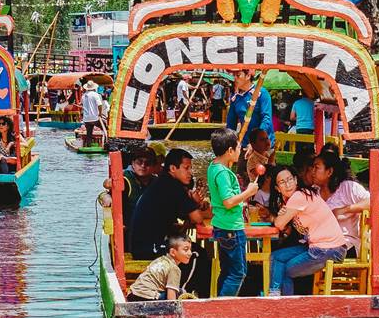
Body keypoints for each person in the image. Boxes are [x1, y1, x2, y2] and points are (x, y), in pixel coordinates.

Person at [268, 166, 348, 296]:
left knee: (284, 270)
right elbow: (284, 225)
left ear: (296, 180)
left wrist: (278, 217)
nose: (288, 184)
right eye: (282, 182)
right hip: (317, 247)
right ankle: (274, 294)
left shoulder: (299, 196)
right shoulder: (292, 200)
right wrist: (283, 211)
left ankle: (283, 306)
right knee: (276, 257)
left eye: (290, 179)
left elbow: (279, 224)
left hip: (329, 249)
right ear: (277, 188)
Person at [129, 148, 209, 260]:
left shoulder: (164, 181)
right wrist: (198, 206)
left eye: (191, 168)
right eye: (186, 168)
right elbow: (197, 218)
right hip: (148, 249)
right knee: (198, 255)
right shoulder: (173, 186)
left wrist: (196, 205)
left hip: (142, 246)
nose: (190, 173)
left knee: (196, 251)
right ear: (172, 168)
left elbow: (186, 215)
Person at [208, 127, 258, 297]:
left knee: (227, 271)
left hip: (222, 226)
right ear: (229, 150)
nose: (240, 150)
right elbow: (228, 202)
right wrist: (248, 193)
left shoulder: (213, 167)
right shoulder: (222, 173)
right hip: (231, 228)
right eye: (237, 147)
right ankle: (223, 306)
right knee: (238, 273)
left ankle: (218, 304)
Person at [313, 150, 371, 256]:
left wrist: (345, 209)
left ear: (329, 172)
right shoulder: (314, 192)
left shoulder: (347, 187)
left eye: (316, 168)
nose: (312, 171)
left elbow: (372, 202)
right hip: (320, 244)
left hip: (345, 246)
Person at [126, 234, 195, 302]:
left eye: (190, 249)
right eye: (186, 249)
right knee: (180, 293)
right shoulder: (174, 269)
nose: (190, 253)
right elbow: (171, 300)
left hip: (133, 294)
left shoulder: (159, 260)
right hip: (147, 296)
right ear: (173, 252)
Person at [226, 70, 274, 153]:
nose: (235, 78)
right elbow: (231, 124)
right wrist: (229, 144)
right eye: (234, 75)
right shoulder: (235, 98)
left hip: (263, 144)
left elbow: (266, 119)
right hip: (244, 143)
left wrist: (256, 142)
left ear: (248, 76)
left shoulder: (262, 93)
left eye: (238, 75)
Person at [80, 80, 105, 147]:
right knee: (106, 128)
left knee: (89, 133)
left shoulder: (83, 96)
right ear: (94, 88)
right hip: (95, 118)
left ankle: (88, 145)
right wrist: (100, 114)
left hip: (86, 118)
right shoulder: (95, 95)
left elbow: (82, 105)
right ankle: (106, 143)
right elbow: (100, 105)